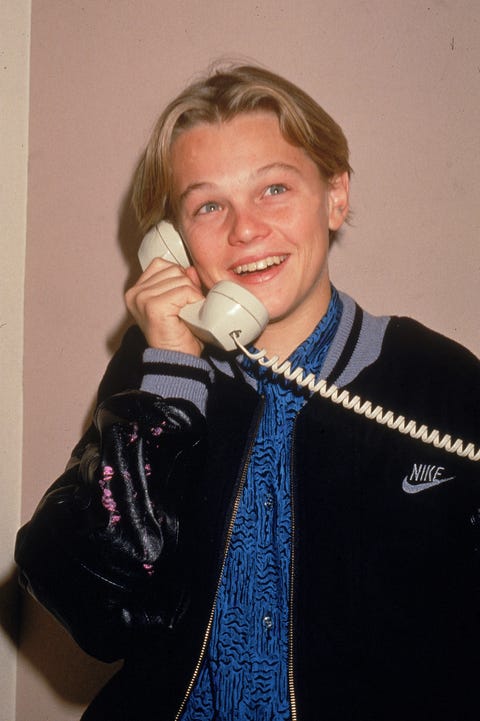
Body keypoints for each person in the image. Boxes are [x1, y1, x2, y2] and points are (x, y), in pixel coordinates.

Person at [15, 64, 480, 721]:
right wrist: (168, 382)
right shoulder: (156, 371)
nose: (245, 229)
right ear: (172, 240)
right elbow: (99, 613)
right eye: (208, 205)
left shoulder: (439, 380)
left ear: (336, 195)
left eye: (274, 188)